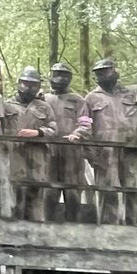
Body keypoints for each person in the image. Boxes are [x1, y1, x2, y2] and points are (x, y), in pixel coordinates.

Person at [83, 51, 137, 226]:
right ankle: (108, 230)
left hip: (133, 149)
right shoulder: (91, 98)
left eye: (106, 71)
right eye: (99, 73)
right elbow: (85, 127)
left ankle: (134, 229)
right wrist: (92, 156)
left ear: (115, 71)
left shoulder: (135, 91)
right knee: (108, 193)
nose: (103, 75)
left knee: (133, 191)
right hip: (105, 153)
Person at [0, 68, 58, 222]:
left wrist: (38, 133)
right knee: (15, 198)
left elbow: (54, 129)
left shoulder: (44, 107)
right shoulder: (6, 105)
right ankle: (15, 236)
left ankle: (36, 237)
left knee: (36, 198)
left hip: (38, 159)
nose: (29, 88)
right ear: (19, 83)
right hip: (15, 158)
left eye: (34, 85)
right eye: (26, 84)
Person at [45, 63, 92, 221]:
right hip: (48, 151)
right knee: (48, 192)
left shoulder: (78, 100)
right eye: (56, 74)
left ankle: (74, 228)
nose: (59, 78)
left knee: (73, 192)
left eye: (64, 75)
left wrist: (77, 134)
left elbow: (86, 123)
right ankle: (46, 229)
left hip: (72, 152)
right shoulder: (43, 99)